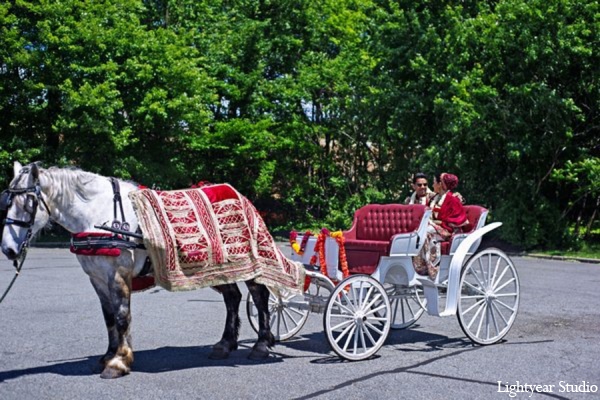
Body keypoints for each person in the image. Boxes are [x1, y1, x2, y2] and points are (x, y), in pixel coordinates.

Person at [413, 172, 468, 280]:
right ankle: (418, 264)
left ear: (440, 184)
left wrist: (438, 222)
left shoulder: (452, 199)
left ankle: (430, 266)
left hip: (446, 230)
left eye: (434, 183)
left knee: (425, 232)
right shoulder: (435, 197)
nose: (432, 186)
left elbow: (458, 218)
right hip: (436, 227)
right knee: (418, 231)